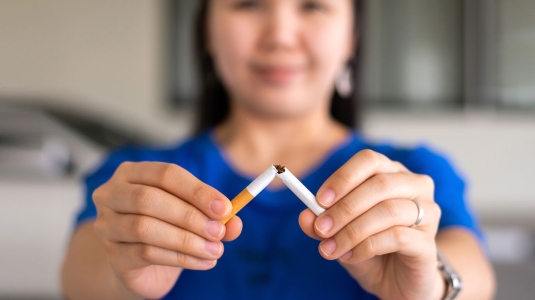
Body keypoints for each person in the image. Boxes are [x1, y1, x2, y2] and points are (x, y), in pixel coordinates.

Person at [61, 0, 495, 299]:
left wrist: (430, 284)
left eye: (312, 5)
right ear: (206, 31)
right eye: (249, 2)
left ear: (352, 37)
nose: (280, 36)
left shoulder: (411, 173)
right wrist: (124, 276)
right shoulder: (137, 175)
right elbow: (78, 277)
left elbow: (476, 276)